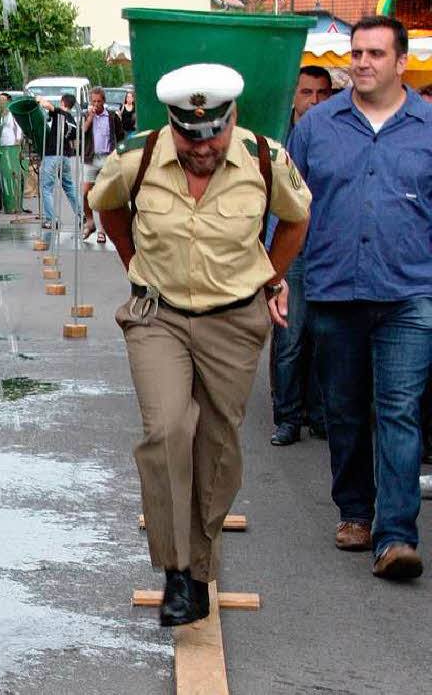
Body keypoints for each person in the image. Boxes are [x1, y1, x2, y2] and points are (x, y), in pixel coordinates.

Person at [90, 63, 311, 626]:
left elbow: (297, 218)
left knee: (215, 447)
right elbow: (106, 203)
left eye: (212, 133)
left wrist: (270, 278)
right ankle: (175, 571)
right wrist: (132, 261)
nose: (202, 146)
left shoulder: (265, 158)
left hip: (234, 322)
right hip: (157, 316)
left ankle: (199, 569)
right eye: (190, 136)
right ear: (171, 125)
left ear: (231, 119)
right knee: (166, 431)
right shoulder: (139, 156)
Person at [288, 16, 432, 580]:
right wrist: (273, 277)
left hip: (409, 293)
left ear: (401, 62)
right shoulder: (318, 127)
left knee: (398, 409)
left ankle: (396, 535)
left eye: (375, 53)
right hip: (334, 288)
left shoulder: (427, 127)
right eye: (357, 53)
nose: (362, 63)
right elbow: (288, 204)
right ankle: (355, 511)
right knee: (345, 409)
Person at [268, 65, 333, 447]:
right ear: (294, 96)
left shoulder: (338, 134)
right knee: (290, 339)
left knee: (326, 338)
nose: (314, 101)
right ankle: (288, 417)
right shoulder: (279, 138)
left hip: (329, 251)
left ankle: (320, 414)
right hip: (292, 250)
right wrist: (273, 262)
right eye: (307, 93)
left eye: (322, 93)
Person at [82, 87, 125, 242]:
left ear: (104, 101)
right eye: (93, 101)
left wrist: (118, 155)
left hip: (107, 158)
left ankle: (102, 230)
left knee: (102, 195)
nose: (96, 104)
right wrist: (90, 118)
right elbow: (80, 133)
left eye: (99, 101)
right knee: (85, 192)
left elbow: (121, 136)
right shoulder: (86, 115)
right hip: (91, 158)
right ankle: (90, 221)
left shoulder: (112, 117)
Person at [38, 93, 80, 230]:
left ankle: (51, 220)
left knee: (47, 188)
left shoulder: (60, 113)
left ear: (63, 102)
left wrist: (39, 99)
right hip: (66, 157)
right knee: (69, 188)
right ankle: (82, 214)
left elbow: (48, 106)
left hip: (53, 155)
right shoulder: (72, 120)